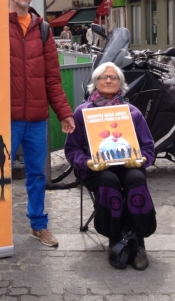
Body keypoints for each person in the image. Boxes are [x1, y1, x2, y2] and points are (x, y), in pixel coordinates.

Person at [64, 62, 156, 270]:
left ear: (121, 84)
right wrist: (86, 162)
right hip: (95, 170)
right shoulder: (82, 112)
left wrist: (141, 160)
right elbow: (71, 149)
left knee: (136, 178)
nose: (108, 80)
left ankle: (138, 239)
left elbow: (149, 147)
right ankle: (115, 237)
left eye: (113, 77)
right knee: (108, 180)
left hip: (127, 165)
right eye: (103, 77)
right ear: (95, 83)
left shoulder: (132, 113)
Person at [8, 0, 76, 247]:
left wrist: (65, 113)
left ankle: (39, 226)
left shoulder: (43, 29)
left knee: (37, 174)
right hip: (6, 119)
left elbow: (52, 78)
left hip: (36, 119)